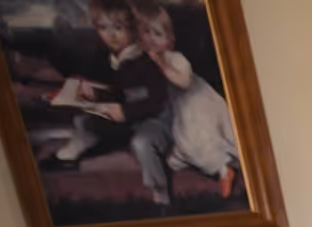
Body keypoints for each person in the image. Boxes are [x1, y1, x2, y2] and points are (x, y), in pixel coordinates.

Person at [49, 0, 174, 207]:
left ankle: (161, 195)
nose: (112, 36)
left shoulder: (145, 63)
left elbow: (157, 101)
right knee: (84, 122)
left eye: (118, 28)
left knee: (141, 143)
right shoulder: (107, 58)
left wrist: (126, 111)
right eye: (104, 29)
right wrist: (88, 89)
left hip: (152, 121)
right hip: (122, 120)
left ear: (132, 30)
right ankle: (67, 156)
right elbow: (110, 87)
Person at [133, 0, 239, 199]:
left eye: (158, 34)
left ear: (170, 40)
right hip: (180, 111)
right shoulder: (146, 59)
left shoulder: (174, 58)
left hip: (196, 107)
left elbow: (184, 81)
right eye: (147, 33)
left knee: (198, 142)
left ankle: (224, 171)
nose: (153, 40)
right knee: (179, 152)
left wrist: (162, 65)